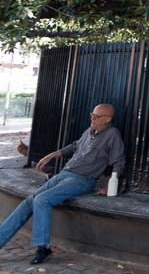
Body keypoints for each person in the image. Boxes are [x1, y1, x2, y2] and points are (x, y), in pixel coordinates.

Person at [0, 103, 125, 265]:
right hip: (64, 174)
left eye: (97, 116)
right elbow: (74, 146)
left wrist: (110, 183)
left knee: (42, 200)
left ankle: (43, 247)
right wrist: (51, 155)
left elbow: (119, 161)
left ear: (107, 119)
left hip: (82, 179)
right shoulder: (89, 131)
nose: (92, 118)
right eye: (92, 114)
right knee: (28, 201)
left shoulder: (112, 135)